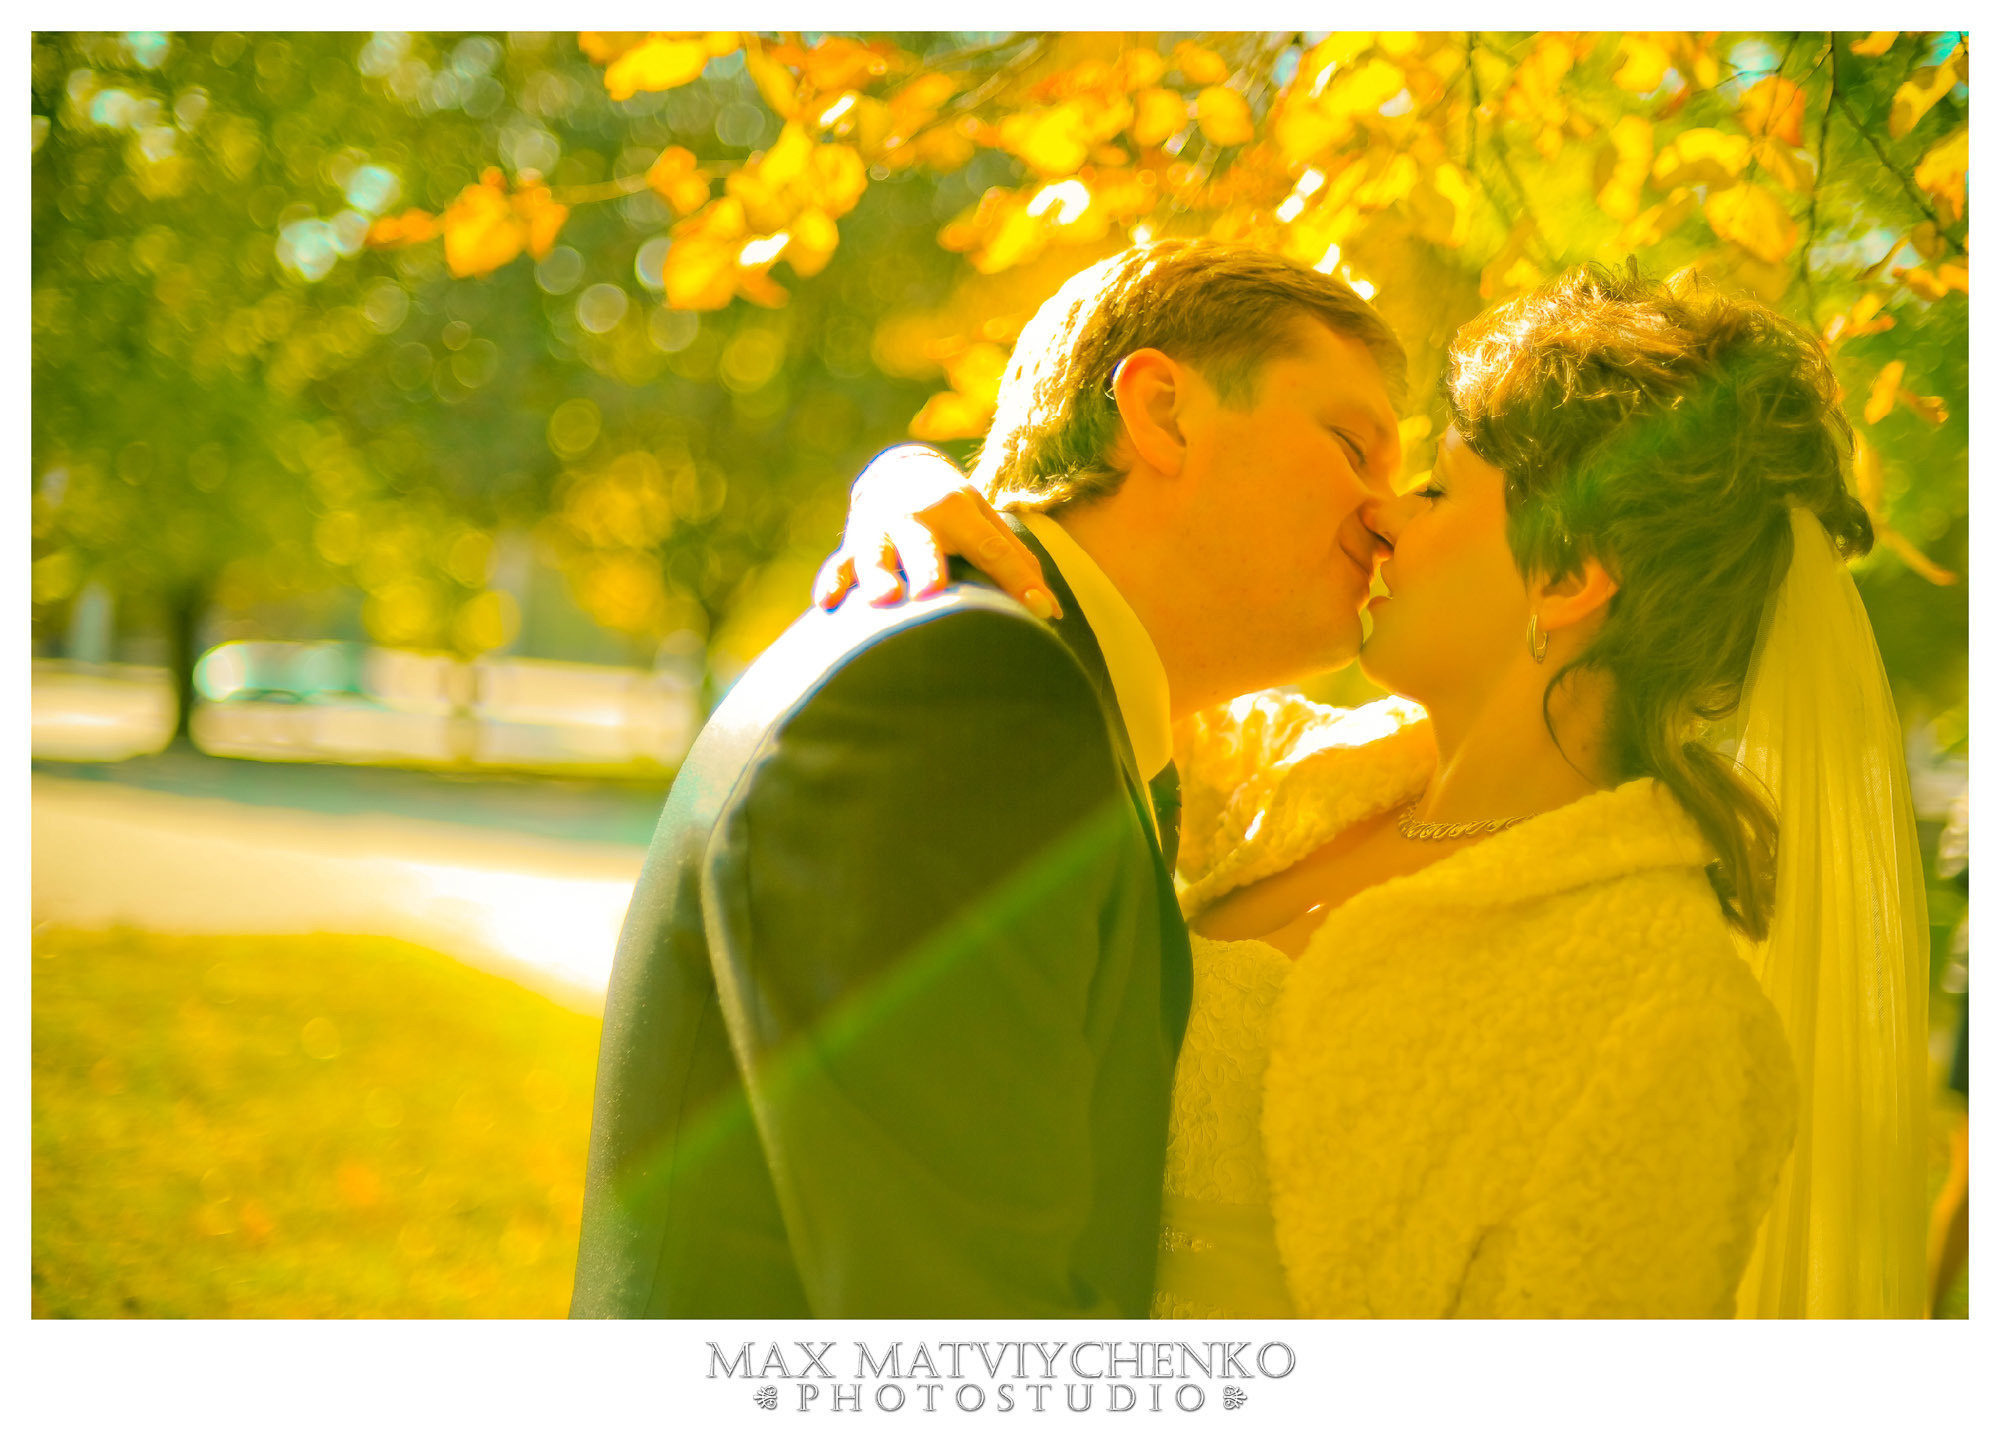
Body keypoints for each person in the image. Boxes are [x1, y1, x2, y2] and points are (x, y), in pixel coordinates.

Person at [824, 262, 1931, 1316]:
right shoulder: (1277, 769)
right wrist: (905, 488)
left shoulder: (1671, 1015)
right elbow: (1091, 615)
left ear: (1565, 576)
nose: (1384, 514)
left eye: (1439, 484)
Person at [569, 240, 1408, 1316]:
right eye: (1354, 448)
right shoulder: (968, 693)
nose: (1386, 516)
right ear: (1163, 413)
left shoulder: (1059, 704)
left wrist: (899, 469)